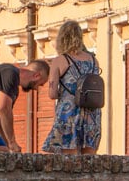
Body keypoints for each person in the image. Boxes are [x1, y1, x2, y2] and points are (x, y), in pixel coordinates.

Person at [42, 20, 101, 154]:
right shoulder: (93, 60)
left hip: (69, 113)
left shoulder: (59, 61)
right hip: (91, 113)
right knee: (89, 159)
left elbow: (52, 94)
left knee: (69, 158)